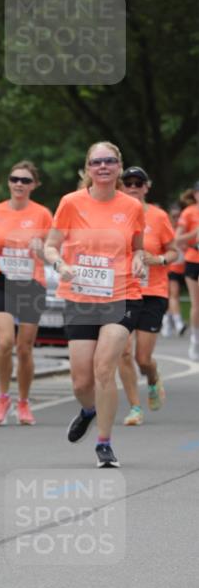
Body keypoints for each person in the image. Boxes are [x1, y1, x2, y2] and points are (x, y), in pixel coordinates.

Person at [44, 141, 146, 468]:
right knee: (81, 381)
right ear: (88, 169)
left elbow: (138, 248)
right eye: (96, 162)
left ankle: (104, 443)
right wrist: (61, 265)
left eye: (110, 161)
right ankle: (88, 411)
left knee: (104, 368)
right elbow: (50, 246)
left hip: (121, 294)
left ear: (118, 167)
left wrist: (141, 261)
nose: (103, 166)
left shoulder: (131, 207)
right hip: (81, 297)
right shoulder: (71, 203)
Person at [0, 161, 53, 426]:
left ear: (34, 185)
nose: (19, 184)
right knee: (5, 342)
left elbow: (53, 249)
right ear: (9, 182)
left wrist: (40, 249)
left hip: (32, 284)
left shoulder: (43, 214)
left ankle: (23, 401)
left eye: (25, 180)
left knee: (24, 348)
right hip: (4, 282)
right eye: (15, 179)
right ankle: (2, 397)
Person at [116, 167, 177, 425]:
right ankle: (135, 407)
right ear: (121, 186)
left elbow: (174, 252)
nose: (132, 187)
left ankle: (152, 378)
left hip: (152, 292)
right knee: (122, 352)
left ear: (146, 187)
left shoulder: (159, 216)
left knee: (143, 358)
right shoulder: (115, 215)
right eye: (127, 183)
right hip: (123, 291)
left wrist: (159, 259)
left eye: (137, 183)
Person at [176, 182, 199, 360]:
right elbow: (177, 240)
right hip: (194, 259)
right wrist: (195, 234)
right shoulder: (189, 212)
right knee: (196, 303)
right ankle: (195, 340)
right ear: (195, 194)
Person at [162, 201, 187, 337]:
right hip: (172, 267)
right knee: (174, 294)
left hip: (186, 266)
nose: (177, 219)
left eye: (179, 216)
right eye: (174, 216)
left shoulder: (184, 227)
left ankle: (168, 320)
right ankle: (178, 323)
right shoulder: (168, 227)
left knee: (172, 295)